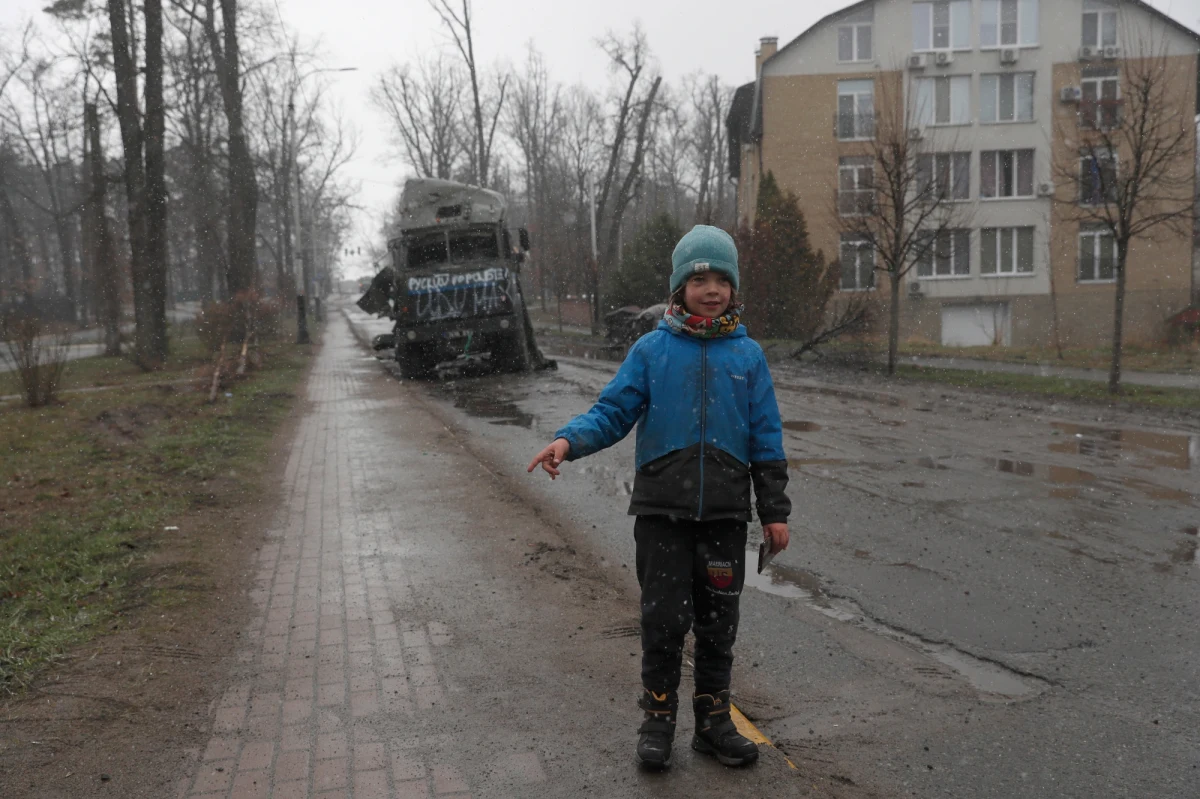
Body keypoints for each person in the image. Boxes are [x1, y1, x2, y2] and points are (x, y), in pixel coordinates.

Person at [527, 225, 791, 770]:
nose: (712, 289)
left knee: (718, 624)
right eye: (699, 279)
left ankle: (713, 723)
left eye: (722, 280)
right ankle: (657, 719)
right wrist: (567, 441)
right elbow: (612, 412)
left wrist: (774, 513)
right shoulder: (651, 351)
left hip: (724, 516)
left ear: (734, 289)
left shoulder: (748, 356)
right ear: (679, 288)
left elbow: (766, 438)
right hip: (661, 516)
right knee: (663, 621)